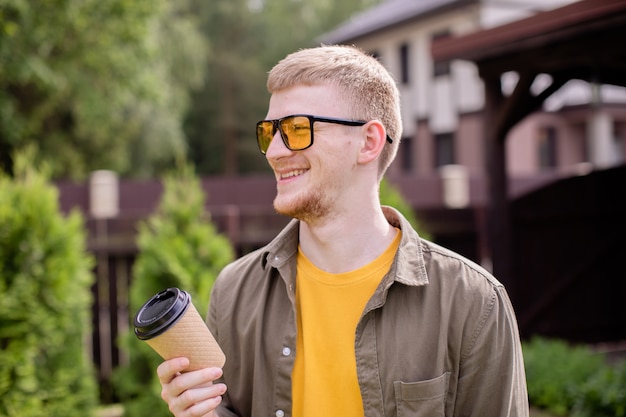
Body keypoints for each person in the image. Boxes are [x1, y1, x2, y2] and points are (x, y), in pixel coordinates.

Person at [157, 44, 529, 417]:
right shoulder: (235, 290)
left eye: (297, 129)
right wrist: (200, 411)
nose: (273, 151)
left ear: (368, 142)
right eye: (269, 131)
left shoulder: (474, 302)